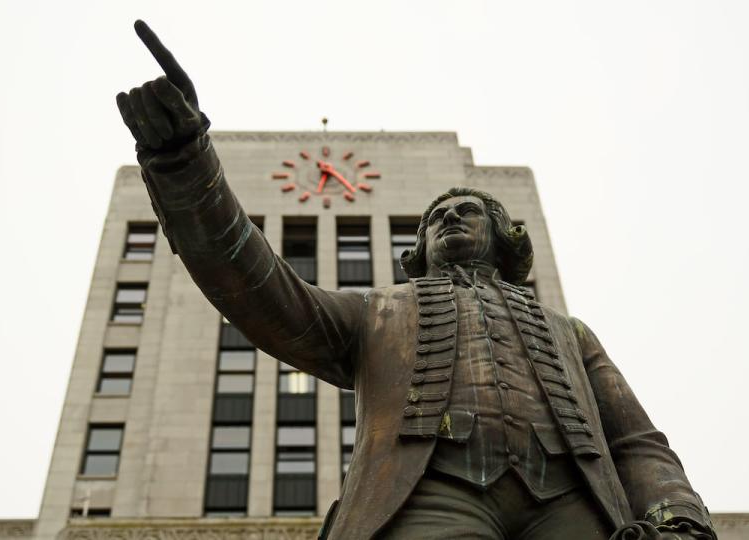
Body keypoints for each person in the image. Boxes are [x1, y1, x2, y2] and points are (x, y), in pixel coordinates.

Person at [116, 20, 717, 540]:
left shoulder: (569, 331)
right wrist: (182, 160)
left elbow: (636, 439)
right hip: (430, 493)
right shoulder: (381, 313)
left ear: (503, 237)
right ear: (420, 249)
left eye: (467, 211)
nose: (449, 217)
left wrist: (678, 516)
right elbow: (255, 284)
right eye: (435, 218)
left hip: (574, 500)